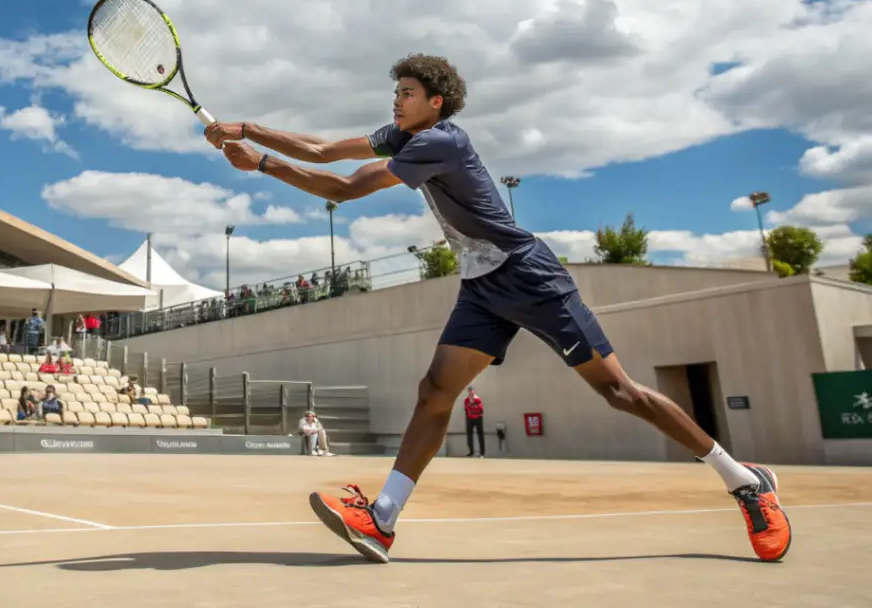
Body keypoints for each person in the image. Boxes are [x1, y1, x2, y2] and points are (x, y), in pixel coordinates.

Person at [205, 53, 790, 564]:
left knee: (619, 393)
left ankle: (745, 482)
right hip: (482, 285)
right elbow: (326, 150)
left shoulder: (440, 141)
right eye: (396, 93)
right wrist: (249, 130)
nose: (397, 101)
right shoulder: (404, 135)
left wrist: (260, 163)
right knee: (435, 392)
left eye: (407, 93)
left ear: (437, 102)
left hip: (529, 275)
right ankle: (382, 519)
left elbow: (346, 187)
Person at [464, 387, 485, 458]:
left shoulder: (478, 399)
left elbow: (481, 409)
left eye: (472, 391)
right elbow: (466, 409)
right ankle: (471, 452)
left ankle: (482, 453)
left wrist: (473, 405)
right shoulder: (466, 400)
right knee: (469, 435)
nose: (470, 393)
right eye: (469, 392)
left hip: (478, 418)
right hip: (470, 418)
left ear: (474, 392)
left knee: (480, 435)